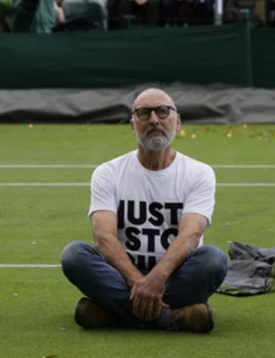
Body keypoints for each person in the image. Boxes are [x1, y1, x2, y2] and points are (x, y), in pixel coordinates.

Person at [60, 88, 228, 334]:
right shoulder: (108, 173)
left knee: (213, 259)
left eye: (162, 111)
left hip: (175, 276)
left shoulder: (198, 173)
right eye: (144, 113)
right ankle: (171, 317)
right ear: (132, 125)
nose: (153, 120)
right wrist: (138, 282)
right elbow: (103, 238)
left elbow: (190, 236)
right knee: (74, 255)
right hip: (122, 275)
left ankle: (115, 314)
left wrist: (157, 279)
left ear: (177, 121)